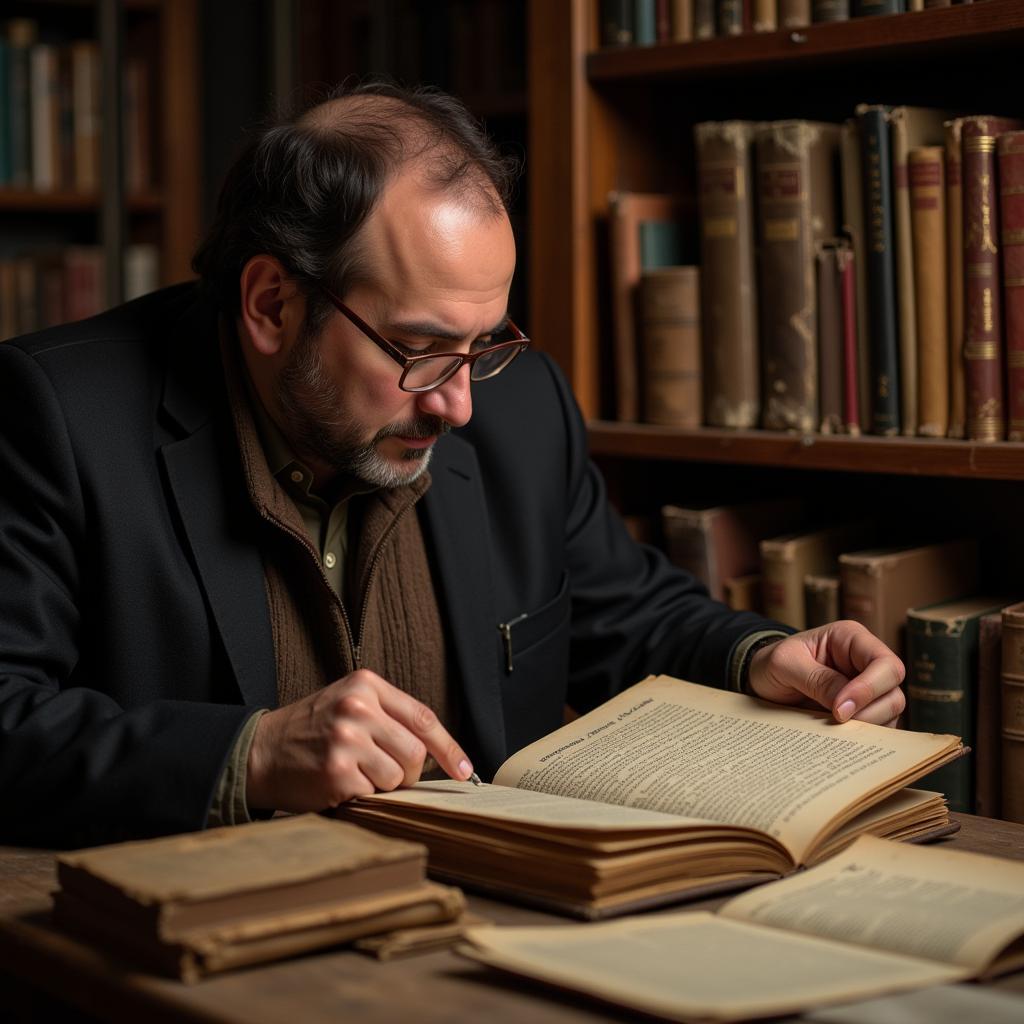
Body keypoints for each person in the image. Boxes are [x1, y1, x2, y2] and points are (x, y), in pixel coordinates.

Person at [0, 84, 905, 848]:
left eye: (483, 343)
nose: (459, 403)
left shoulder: (520, 405)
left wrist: (761, 656)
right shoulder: (56, 417)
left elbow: (617, 612)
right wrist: (254, 753)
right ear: (272, 303)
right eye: (420, 348)